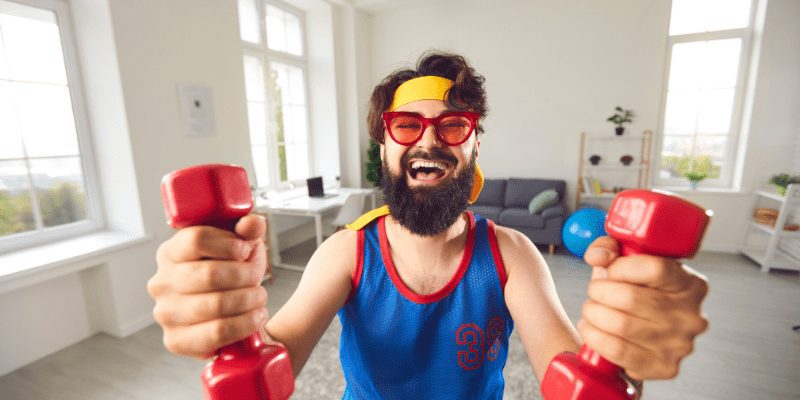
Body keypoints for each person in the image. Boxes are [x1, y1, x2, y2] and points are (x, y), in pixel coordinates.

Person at [148, 51, 709, 398]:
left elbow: (569, 376)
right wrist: (229, 327)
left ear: (474, 146)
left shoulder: (513, 254)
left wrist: (621, 356)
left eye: (453, 126)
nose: (430, 140)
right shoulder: (347, 252)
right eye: (406, 125)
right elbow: (277, 354)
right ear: (384, 148)